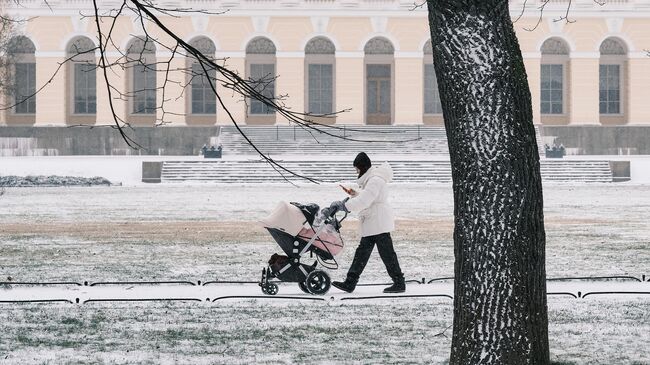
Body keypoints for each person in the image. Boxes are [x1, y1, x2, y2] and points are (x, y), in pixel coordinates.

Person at [324, 152, 405, 294]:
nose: (357, 172)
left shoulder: (375, 180)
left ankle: (399, 282)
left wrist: (345, 206)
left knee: (386, 254)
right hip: (374, 222)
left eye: (357, 169)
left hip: (378, 222)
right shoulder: (371, 179)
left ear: (363, 167)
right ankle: (350, 282)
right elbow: (366, 197)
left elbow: (365, 201)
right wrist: (354, 193)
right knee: (363, 253)